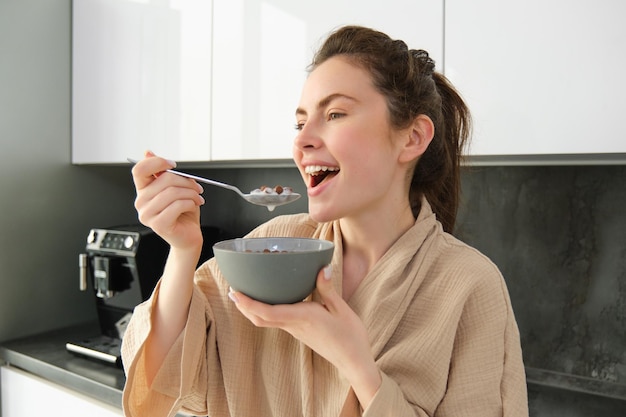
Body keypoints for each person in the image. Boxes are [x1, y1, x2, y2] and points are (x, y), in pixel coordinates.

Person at [121, 25, 529, 416]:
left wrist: (355, 361)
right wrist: (182, 250)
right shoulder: (270, 245)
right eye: (300, 123)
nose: (302, 139)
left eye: (334, 114)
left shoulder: (470, 285)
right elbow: (161, 376)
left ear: (412, 137)